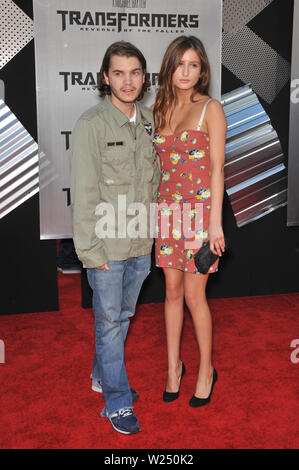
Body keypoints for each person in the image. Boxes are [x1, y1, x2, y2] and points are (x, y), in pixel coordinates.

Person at [70, 41, 160, 434]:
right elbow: (85, 192)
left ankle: (101, 376)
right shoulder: (91, 124)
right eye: (119, 73)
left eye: (135, 72)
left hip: (141, 243)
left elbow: (154, 184)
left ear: (144, 77)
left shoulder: (150, 122)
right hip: (106, 247)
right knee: (108, 324)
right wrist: (91, 252)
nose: (128, 80)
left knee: (121, 318)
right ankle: (117, 401)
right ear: (105, 78)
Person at [153, 36, 227, 407]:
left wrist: (215, 225)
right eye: (180, 64)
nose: (185, 72)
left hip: (200, 216)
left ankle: (205, 370)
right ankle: (173, 368)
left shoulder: (210, 108)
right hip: (167, 213)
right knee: (171, 294)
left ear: (202, 71)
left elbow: (216, 170)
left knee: (196, 296)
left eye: (193, 65)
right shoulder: (159, 108)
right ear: (169, 67)